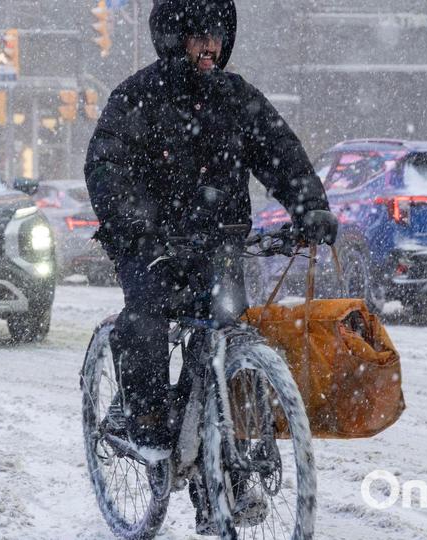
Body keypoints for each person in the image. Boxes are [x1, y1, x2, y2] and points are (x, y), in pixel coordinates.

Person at [84, 1, 336, 530]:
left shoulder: (235, 97)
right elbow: (106, 168)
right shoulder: (137, 96)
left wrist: (309, 205)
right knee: (148, 318)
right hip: (148, 244)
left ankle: (223, 482)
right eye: (199, 35)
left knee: (227, 340)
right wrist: (138, 229)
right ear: (174, 39)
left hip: (217, 245)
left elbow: (279, 152)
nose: (211, 46)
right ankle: (145, 421)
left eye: (218, 35)